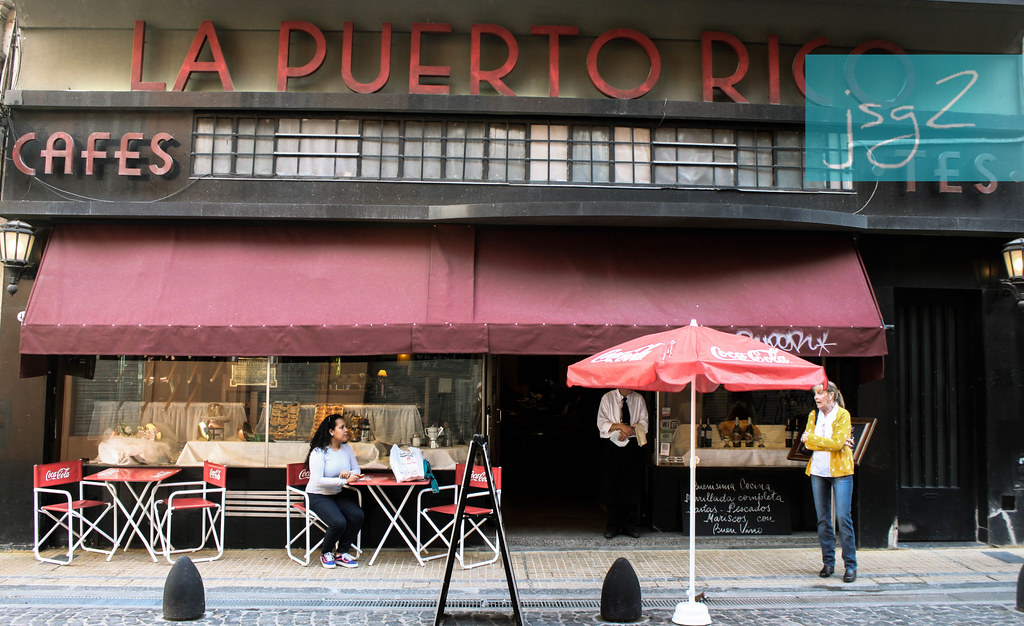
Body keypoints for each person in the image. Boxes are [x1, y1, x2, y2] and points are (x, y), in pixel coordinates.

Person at [800, 381, 857, 583]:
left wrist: (813, 440)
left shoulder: (842, 414)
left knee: (843, 518)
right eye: (815, 394)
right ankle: (828, 563)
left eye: (820, 393)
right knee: (823, 520)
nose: (816, 397)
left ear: (831, 395)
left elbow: (836, 443)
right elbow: (808, 443)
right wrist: (827, 443)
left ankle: (850, 566)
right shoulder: (813, 415)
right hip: (818, 470)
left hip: (841, 471)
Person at [305, 413, 365, 569]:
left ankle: (341, 553)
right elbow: (318, 480)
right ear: (331, 431)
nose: (346, 430)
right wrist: (344, 480)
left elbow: (356, 469)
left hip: (336, 493)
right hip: (317, 495)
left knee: (357, 516)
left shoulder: (346, 449)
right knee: (338, 522)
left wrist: (349, 473)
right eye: (342, 427)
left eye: (346, 427)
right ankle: (326, 553)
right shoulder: (319, 452)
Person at [597, 388, 649, 539]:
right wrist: (620, 427)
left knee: (632, 484)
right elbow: (601, 422)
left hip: (632, 445)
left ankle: (629, 525)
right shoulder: (607, 397)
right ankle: (612, 525)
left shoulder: (639, 399)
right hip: (612, 445)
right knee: (612, 485)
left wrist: (630, 430)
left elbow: (644, 422)